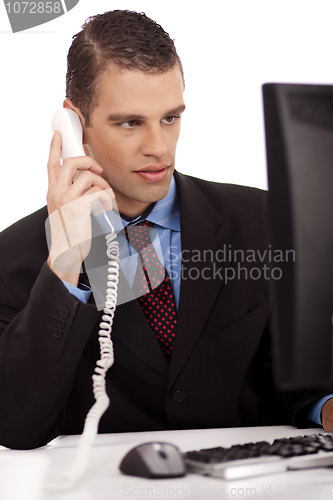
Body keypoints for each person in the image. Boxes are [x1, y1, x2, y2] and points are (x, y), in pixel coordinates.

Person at [0, 10, 332, 451]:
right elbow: (18, 426)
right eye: (130, 122)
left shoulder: (262, 219)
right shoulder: (13, 259)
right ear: (75, 124)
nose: (158, 147)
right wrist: (67, 265)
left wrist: (326, 404)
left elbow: (289, 375)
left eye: (170, 118)